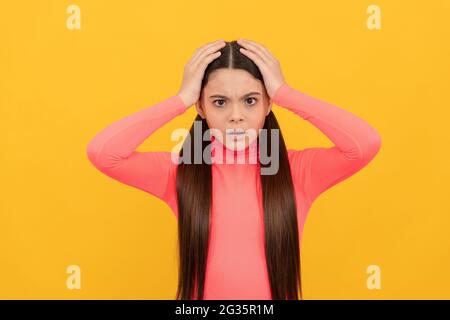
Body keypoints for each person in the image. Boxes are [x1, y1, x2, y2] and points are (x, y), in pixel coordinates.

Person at [86, 38, 382, 300]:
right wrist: (180, 100)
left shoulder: (297, 171)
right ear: (201, 108)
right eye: (219, 102)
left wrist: (285, 92)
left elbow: (365, 144)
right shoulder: (181, 171)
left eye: (250, 101)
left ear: (268, 104)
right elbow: (103, 153)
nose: (236, 116)